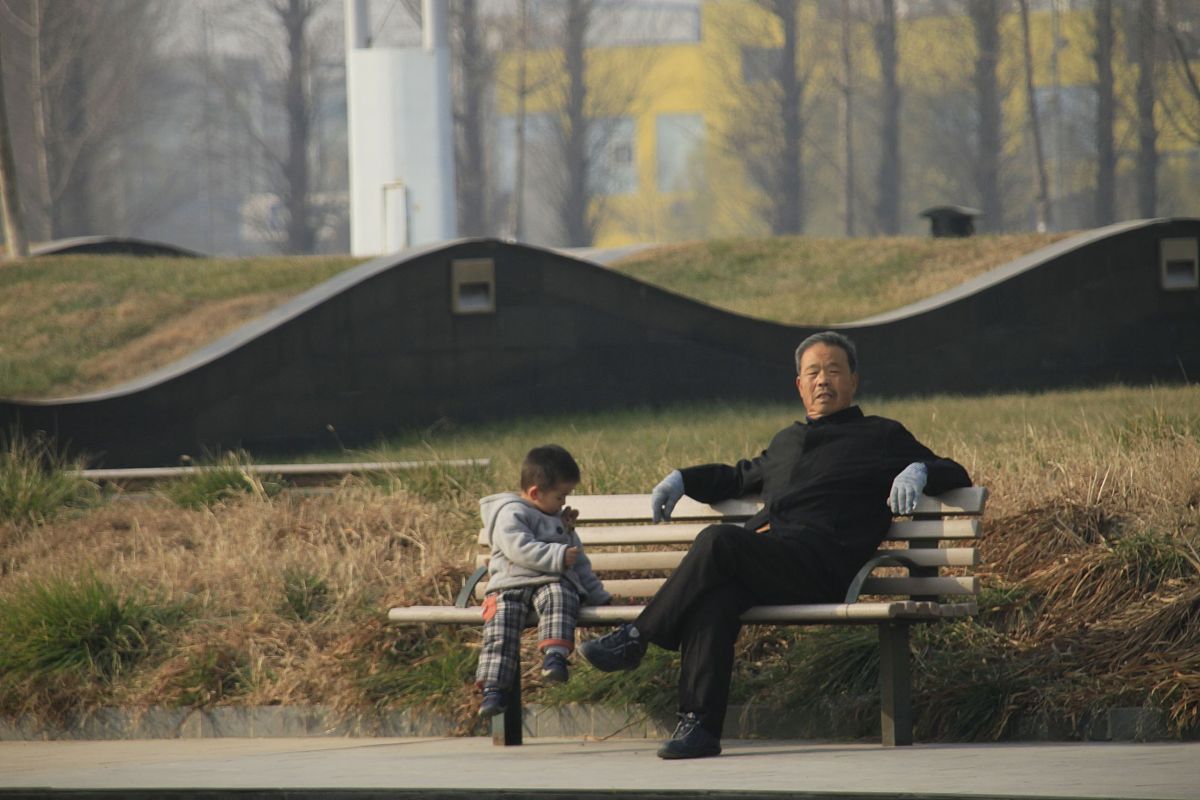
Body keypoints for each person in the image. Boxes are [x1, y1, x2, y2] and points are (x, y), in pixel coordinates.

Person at [579, 331, 971, 759]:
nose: (824, 381)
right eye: (813, 373)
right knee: (716, 598)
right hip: (774, 561)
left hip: (822, 566)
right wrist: (683, 479)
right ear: (799, 385)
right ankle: (699, 728)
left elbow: (954, 471)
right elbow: (738, 476)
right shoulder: (789, 441)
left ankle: (637, 635)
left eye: (834, 371)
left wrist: (918, 470)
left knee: (719, 540)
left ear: (854, 381)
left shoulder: (880, 436)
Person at [475, 444, 612, 718]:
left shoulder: (558, 520)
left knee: (562, 594)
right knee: (501, 626)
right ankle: (493, 688)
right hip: (510, 584)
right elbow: (519, 548)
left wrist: (599, 595)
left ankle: (555, 656)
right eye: (560, 496)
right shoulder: (510, 513)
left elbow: (580, 563)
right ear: (536, 493)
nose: (564, 502)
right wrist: (558, 554)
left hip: (550, 582)